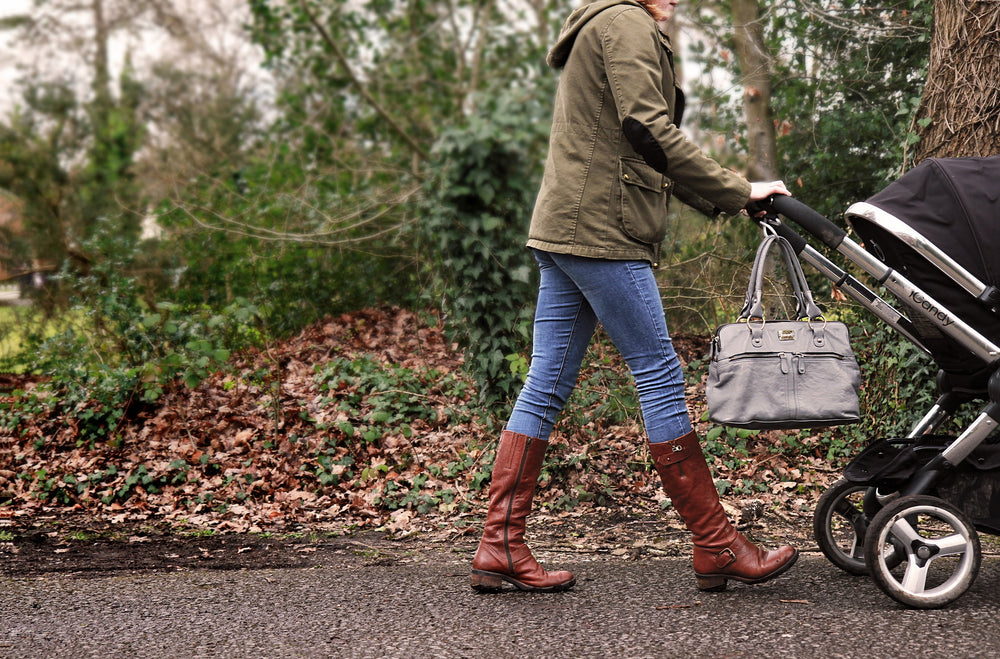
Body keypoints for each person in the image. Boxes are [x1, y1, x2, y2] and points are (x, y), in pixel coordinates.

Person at [470, 0, 797, 594]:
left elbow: (637, 144)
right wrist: (734, 187)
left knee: (545, 383)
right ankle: (717, 543)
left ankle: (500, 545)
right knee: (659, 374)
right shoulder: (623, 22)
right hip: (601, 231)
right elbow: (647, 126)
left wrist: (727, 198)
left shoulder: (602, 22)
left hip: (570, 226)